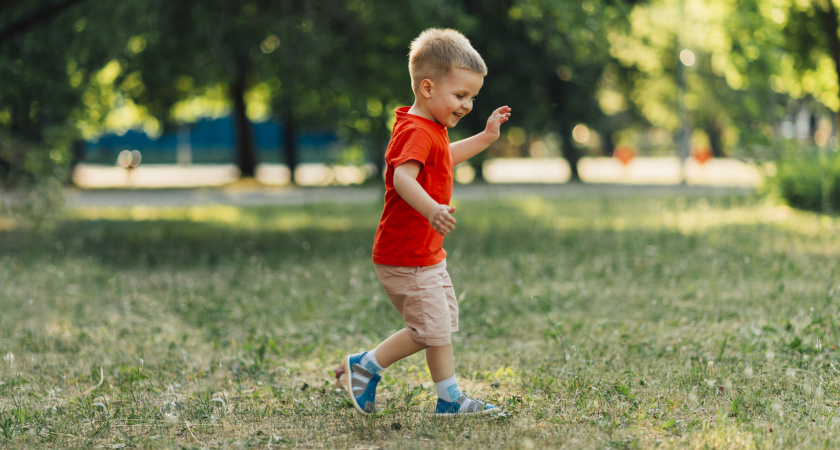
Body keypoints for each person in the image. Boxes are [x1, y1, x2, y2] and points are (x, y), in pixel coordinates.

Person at [343, 28, 511, 417]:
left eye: (472, 97)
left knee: (440, 324)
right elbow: (403, 179)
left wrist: (485, 137)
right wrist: (432, 208)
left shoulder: (429, 128)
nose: (467, 105)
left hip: (425, 253)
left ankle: (449, 398)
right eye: (461, 95)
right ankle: (366, 366)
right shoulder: (416, 131)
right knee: (427, 330)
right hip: (405, 256)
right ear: (428, 88)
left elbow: (444, 157)